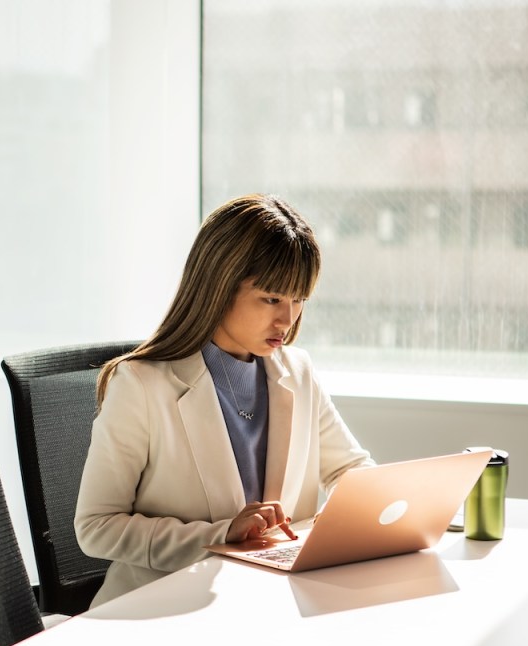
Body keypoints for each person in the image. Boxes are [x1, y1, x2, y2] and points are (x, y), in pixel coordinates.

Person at [75, 194, 373, 607]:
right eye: (271, 299)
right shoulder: (140, 385)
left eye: (299, 299)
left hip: (266, 605)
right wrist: (220, 535)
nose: (288, 319)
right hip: (162, 611)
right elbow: (96, 527)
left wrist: (347, 514)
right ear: (219, 286)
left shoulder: (298, 372)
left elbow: (352, 473)